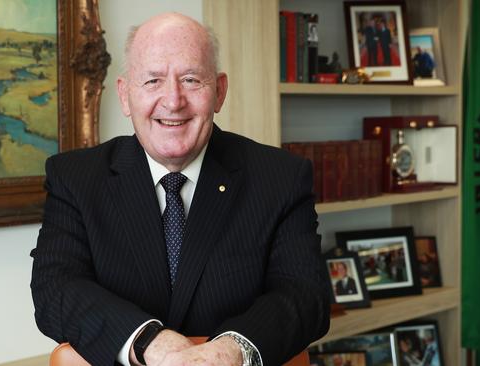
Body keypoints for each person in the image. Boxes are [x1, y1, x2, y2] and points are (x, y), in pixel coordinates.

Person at [30, 12, 330, 366]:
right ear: (125, 96)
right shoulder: (76, 178)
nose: (173, 101)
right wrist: (151, 344)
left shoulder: (280, 177)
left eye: (190, 80)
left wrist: (229, 352)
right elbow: (56, 289)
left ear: (219, 92)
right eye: (153, 80)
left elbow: (305, 295)